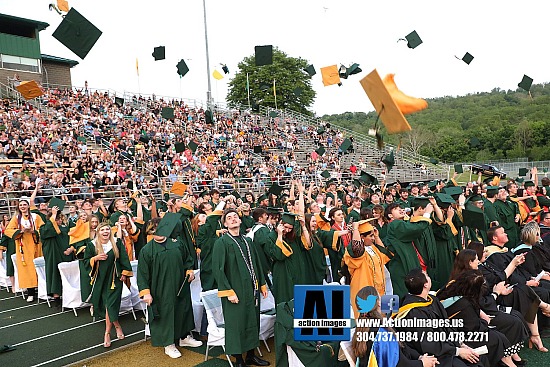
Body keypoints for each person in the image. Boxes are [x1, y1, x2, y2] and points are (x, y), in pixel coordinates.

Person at [212, 208, 270, 367]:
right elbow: (217, 269)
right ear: (224, 223)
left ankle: (251, 355)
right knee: (236, 324)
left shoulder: (247, 241)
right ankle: (239, 360)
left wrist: (262, 284)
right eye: (229, 218)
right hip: (234, 291)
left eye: (235, 217)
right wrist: (228, 292)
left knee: (252, 321)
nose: (233, 219)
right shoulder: (222, 242)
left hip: (251, 290)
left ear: (240, 220)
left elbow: (257, 264)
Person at [138, 213, 198, 359]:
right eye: (153, 230)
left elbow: (188, 260)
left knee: (183, 309)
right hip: (160, 289)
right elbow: (143, 274)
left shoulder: (177, 243)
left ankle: (183, 337)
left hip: (180, 284)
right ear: (149, 232)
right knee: (165, 314)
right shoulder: (147, 250)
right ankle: (168, 343)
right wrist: (146, 292)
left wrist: (189, 271)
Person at [395, 268, 482, 367]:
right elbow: (428, 344)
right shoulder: (413, 312)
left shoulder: (432, 300)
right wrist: (457, 351)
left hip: (447, 348)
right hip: (433, 357)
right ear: (425, 284)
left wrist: (460, 344)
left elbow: (446, 325)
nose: (429, 277)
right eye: (427, 275)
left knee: (477, 358)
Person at [438, 269, 515, 367]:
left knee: (498, 335)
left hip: (453, 331)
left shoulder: (449, 287)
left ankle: (510, 361)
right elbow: (474, 328)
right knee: (497, 338)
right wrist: (485, 321)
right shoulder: (465, 305)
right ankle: (509, 363)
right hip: (459, 337)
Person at [352, 286, 439, 367]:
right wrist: (422, 363)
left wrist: (420, 358)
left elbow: (402, 347)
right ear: (378, 303)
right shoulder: (381, 332)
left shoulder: (362, 328)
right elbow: (399, 364)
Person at [84, 222, 133, 348]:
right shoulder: (92, 245)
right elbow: (85, 261)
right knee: (107, 305)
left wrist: (124, 273)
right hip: (100, 279)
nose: (105, 232)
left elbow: (124, 259)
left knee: (111, 304)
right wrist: (95, 258)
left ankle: (107, 333)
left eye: (107, 229)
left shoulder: (116, 243)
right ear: (98, 232)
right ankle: (117, 326)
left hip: (114, 279)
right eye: (102, 230)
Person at [344, 219, 390, 318]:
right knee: (366, 323)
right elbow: (357, 248)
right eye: (371, 236)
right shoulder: (353, 252)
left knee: (381, 322)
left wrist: (377, 236)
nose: (373, 238)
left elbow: (385, 256)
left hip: (379, 291)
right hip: (364, 293)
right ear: (362, 237)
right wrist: (355, 229)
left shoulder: (373, 248)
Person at [4, 197, 45, 302]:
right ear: (18, 207)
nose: (23, 206)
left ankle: (43, 290)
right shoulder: (16, 219)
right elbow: (8, 230)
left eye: (24, 205)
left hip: (36, 246)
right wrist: (20, 231)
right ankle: (30, 293)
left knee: (39, 267)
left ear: (28, 206)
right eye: (21, 205)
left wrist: (34, 231)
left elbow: (44, 229)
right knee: (27, 270)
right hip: (23, 248)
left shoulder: (36, 217)